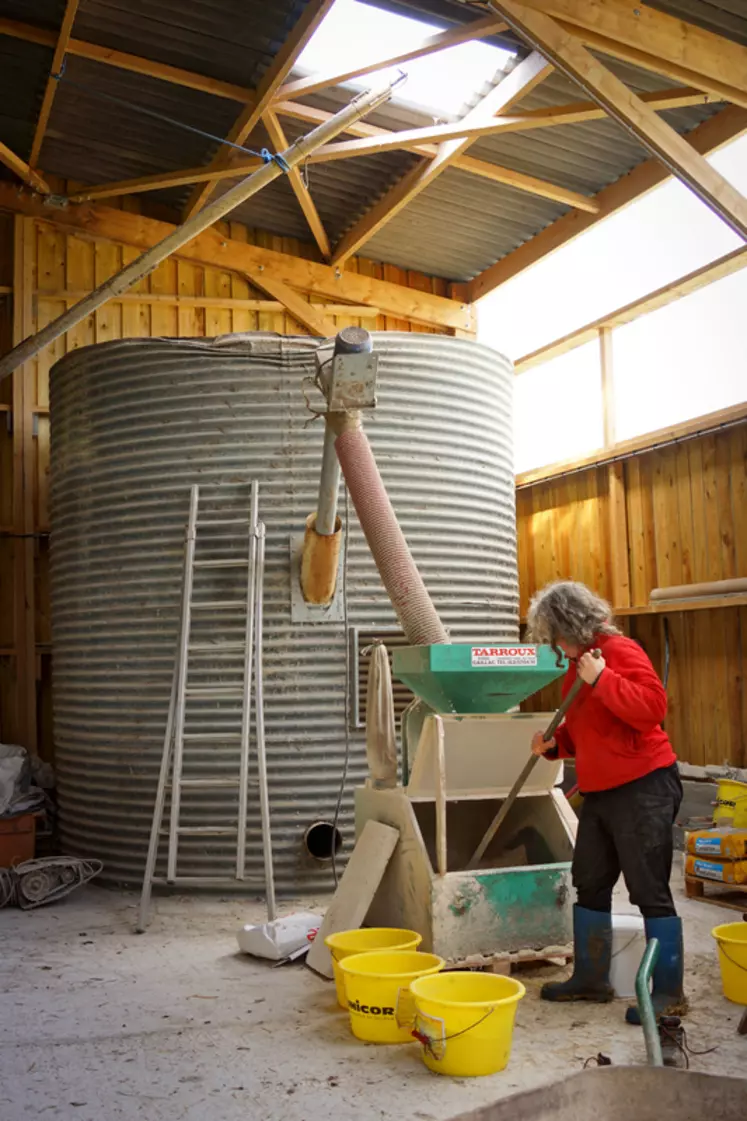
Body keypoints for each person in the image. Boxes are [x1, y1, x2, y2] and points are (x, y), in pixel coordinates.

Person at [527, 580, 686, 1023]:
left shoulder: (617, 653)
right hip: (600, 791)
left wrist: (603, 678)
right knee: (591, 882)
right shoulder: (578, 666)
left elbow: (652, 707)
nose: (554, 644)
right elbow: (586, 732)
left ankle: (669, 991)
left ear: (569, 623)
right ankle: (592, 980)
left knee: (649, 890)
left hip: (644, 786)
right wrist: (554, 745)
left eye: (553, 633)